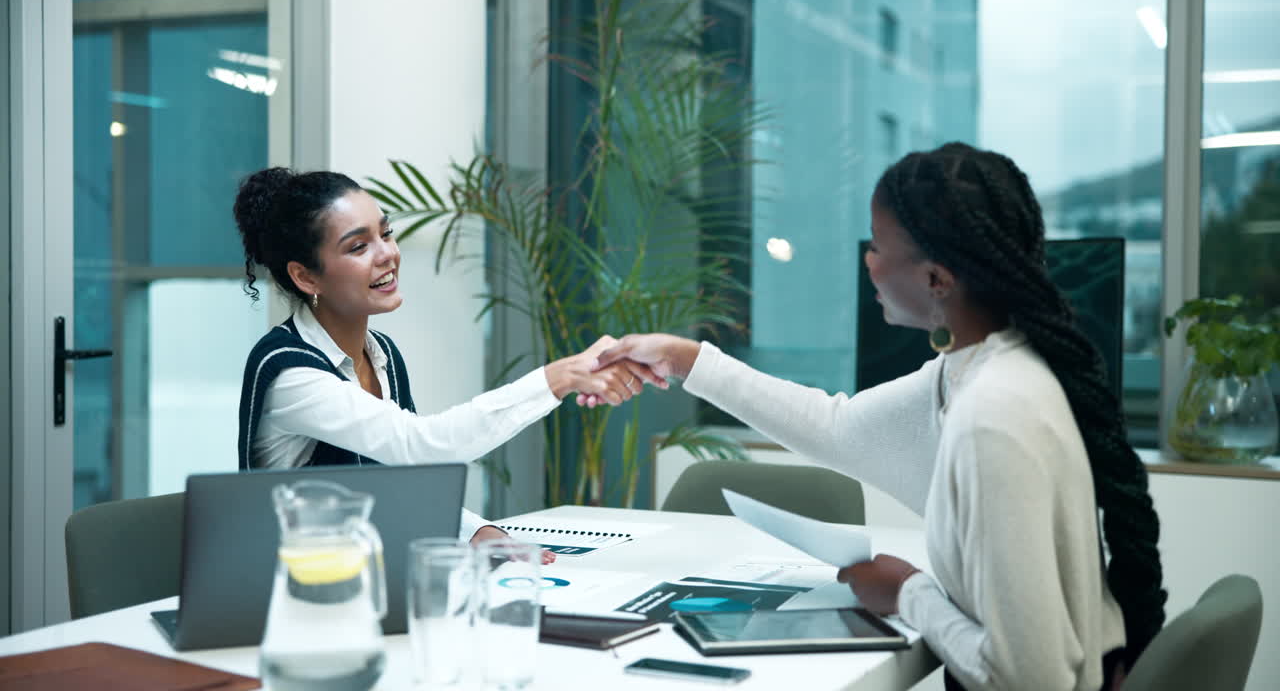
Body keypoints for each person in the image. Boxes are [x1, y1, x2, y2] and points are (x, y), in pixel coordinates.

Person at [591, 143, 1166, 690]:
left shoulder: (994, 414)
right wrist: (686, 358)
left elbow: (1032, 681)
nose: (867, 261)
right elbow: (835, 429)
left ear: (936, 279)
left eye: (877, 246)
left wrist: (909, 592)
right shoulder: (972, 371)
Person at [232, 167, 660, 557]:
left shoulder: (381, 355)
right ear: (306, 277)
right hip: (296, 603)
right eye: (359, 246)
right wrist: (556, 379)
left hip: (366, 585)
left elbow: (403, 483)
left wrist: (476, 532)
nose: (386, 254)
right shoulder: (290, 373)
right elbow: (422, 447)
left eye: (387, 233)